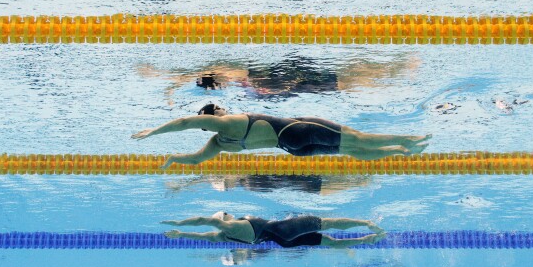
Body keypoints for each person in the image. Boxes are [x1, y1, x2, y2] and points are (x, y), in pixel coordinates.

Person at [132, 103, 431, 168]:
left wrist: (172, 158)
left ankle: (401, 152)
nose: (225, 109)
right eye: (220, 108)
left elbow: (196, 160)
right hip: (296, 128)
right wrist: (154, 131)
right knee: (355, 137)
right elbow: (185, 121)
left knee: (351, 151)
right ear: (213, 116)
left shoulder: (219, 144)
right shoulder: (227, 124)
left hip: (291, 147)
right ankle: (407, 140)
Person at [161, 211, 385, 248]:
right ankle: (367, 224)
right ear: (225, 216)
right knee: (327, 222)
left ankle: (366, 240)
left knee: (330, 242)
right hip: (285, 229)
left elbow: (203, 236)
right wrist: (178, 224)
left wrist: (182, 235)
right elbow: (202, 220)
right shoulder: (227, 224)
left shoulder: (225, 236)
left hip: (283, 242)